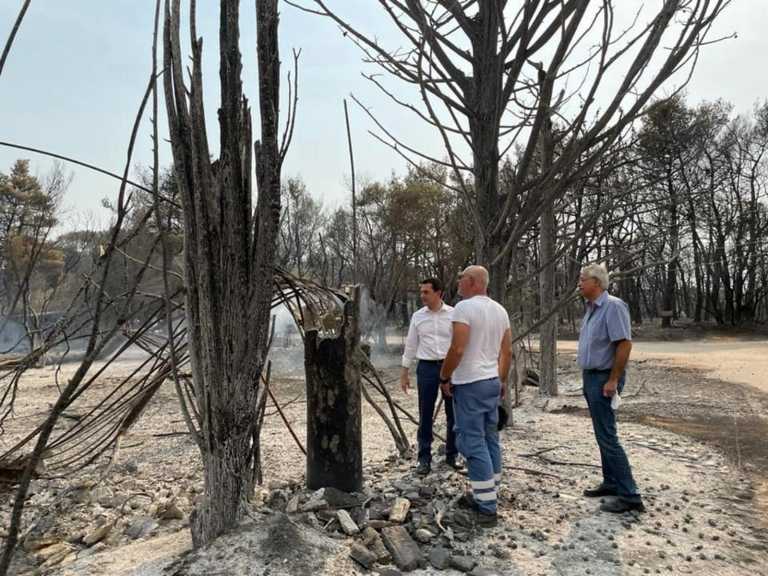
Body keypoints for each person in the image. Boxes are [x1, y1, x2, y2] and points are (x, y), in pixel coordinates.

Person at [439, 265, 512, 527]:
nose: (458, 282)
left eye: (461, 278)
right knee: (490, 437)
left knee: (472, 442)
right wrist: (501, 380)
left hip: (470, 382)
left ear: (472, 281)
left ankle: (486, 508)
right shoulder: (500, 310)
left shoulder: (464, 308)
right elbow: (507, 353)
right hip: (491, 381)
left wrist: (445, 376)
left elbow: (457, 348)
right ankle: (488, 492)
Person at [577, 263, 645, 514]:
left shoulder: (613, 306)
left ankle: (631, 495)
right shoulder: (591, 309)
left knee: (608, 436)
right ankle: (611, 482)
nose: (579, 283)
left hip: (605, 377)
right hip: (591, 376)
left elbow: (624, 345)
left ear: (597, 282)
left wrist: (613, 379)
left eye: (583, 279)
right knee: (602, 433)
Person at [401, 277, 460, 476]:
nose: (422, 296)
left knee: (453, 413)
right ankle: (424, 459)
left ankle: (452, 456)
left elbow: (458, 344)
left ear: (439, 293)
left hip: (449, 366)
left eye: (426, 292)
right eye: (421, 292)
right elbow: (411, 345)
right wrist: (404, 371)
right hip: (426, 368)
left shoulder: (454, 314)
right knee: (425, 413)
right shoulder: (418, 317)